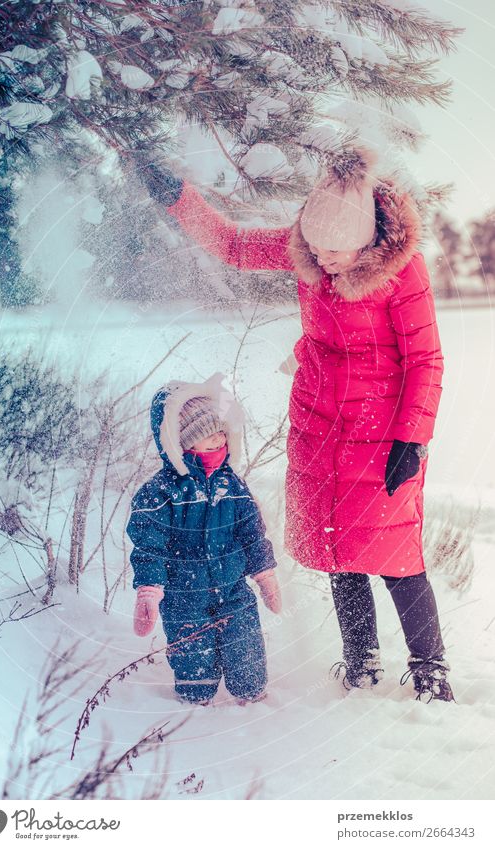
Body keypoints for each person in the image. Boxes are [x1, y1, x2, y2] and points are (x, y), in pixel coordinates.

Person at [139, 150, 454, 703]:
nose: (326, 261)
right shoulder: (308, 248)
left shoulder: (402, 270)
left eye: (338, 251)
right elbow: (235, 245)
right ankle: (361, 663)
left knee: (396, 555)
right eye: (318, 249)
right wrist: (179, 199)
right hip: (318, 426)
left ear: (367, 240)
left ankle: (430, 671)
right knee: (337, 550)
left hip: (382, 430)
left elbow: (425, 359)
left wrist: (413, 436)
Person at [126, 373, 282, 706]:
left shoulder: (233, 485)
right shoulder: (160, 492)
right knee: (195, 670)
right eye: (203, 435)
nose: (215, 440)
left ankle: (253, 701)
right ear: (178, 442)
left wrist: (265, 575)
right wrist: (149, 591)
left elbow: (252, 531)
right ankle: (195, 706)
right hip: (185, 596)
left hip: (233, 589)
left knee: (248, 657)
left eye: (219, 432)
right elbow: (149, 545)